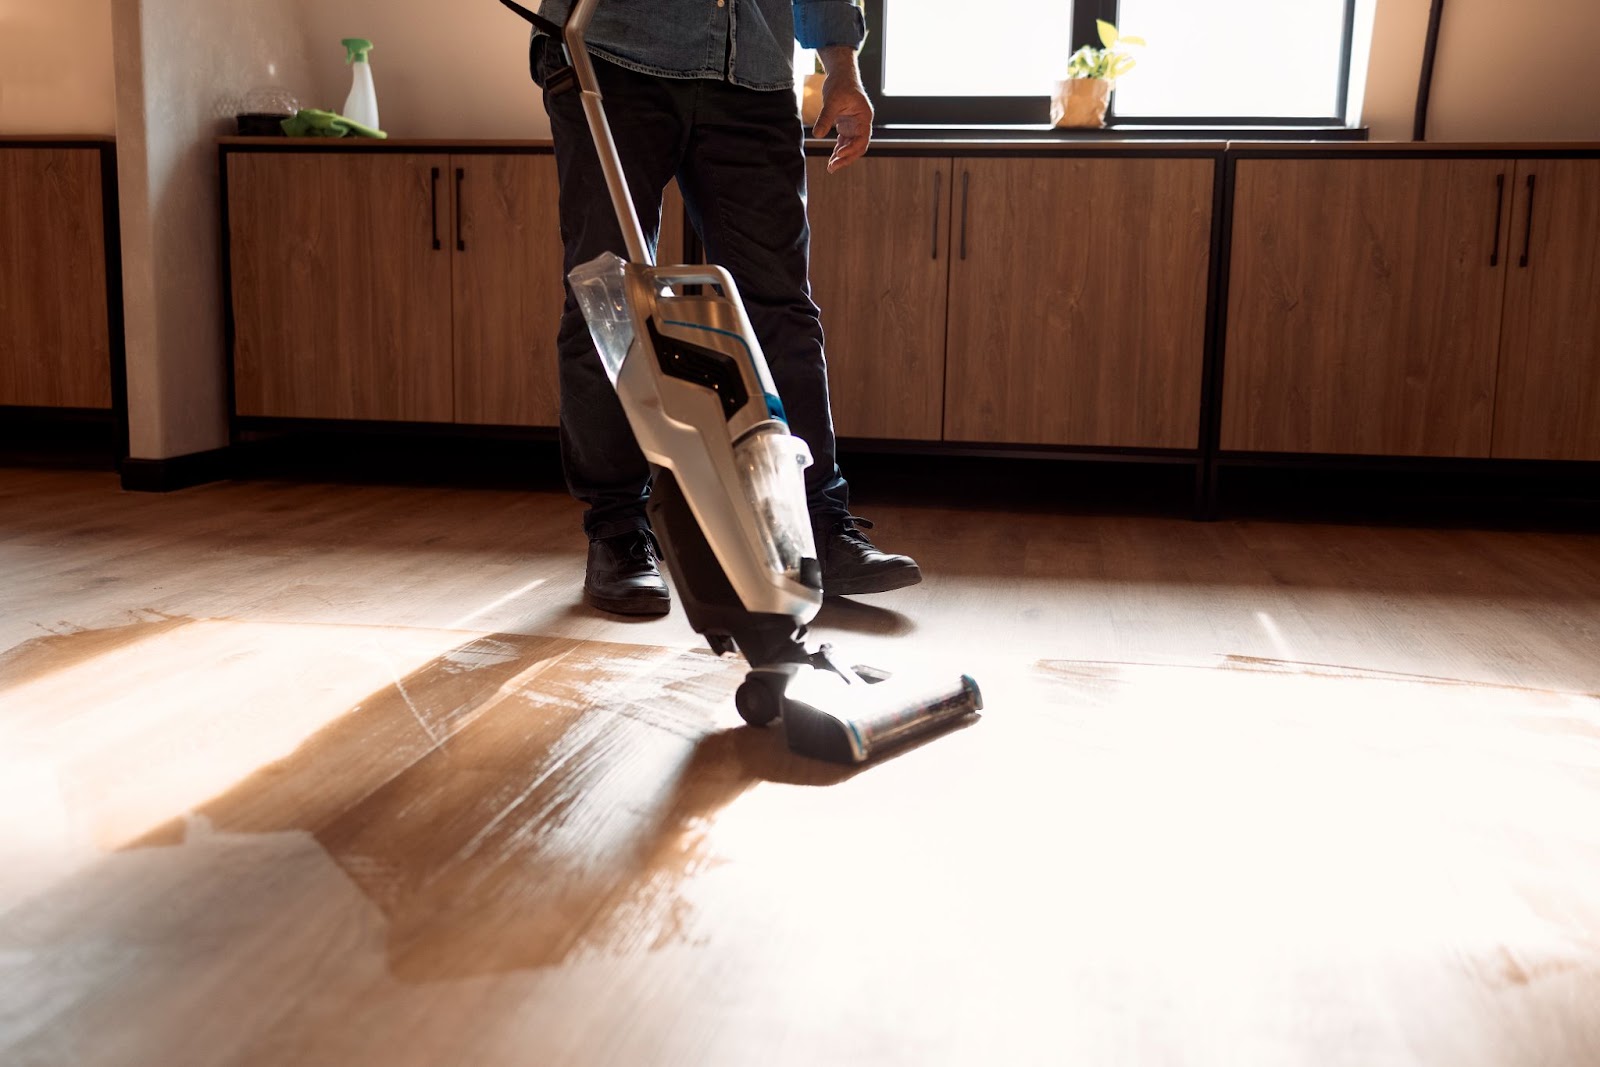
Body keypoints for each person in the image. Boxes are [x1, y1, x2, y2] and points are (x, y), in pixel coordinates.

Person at [527, 0, 923, 617]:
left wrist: (841, 67)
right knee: (609, 301)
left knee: (780, 309)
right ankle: (619, 531)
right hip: (613, 57)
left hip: (753, 74)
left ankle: (815, 524)